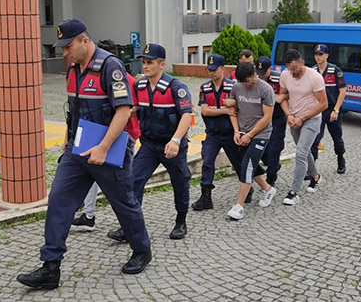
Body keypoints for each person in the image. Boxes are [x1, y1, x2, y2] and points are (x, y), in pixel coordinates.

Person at [17, 20, 151, 290]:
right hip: (77, 150)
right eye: (62, 47)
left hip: (109, 150)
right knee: (58, 200)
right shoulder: (73, 70)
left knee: (124, 203)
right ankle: (50, 267)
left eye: (68, 46)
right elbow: (73, 112)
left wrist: (102, 147)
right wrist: (67, 144)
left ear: (84, 41)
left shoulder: (110, 66)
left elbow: (124, 111)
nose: (64, 52)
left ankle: (141, 250)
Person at [107, 43, 193, 241]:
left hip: (172, 146)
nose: (145, 66)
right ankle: (130, 226)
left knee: (180, 183)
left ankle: (181, 222)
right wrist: (129, 111)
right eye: (143, 62)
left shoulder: (175, 87)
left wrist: (175, 141)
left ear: (161, 64)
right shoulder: (140, 85)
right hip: (149, 145)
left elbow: (186, 116)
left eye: (150, 62)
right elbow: (139, 106)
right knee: (133, 181)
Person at [71, 39, 142, 230]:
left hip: (124, 137)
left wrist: (117, 109)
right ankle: (88, 214)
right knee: (93, 174)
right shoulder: (86, 74)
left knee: (120, 186)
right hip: (98, 136)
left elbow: (132, 108)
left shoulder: (125, 79)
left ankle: (129, 227)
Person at [223, 62, 277, 220]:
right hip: (243, 131)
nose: (246, 85)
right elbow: (232, 111)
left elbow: (267, 117)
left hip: (261, 133)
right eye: (242, 82)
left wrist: (250, 135)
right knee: (249, 165)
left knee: (247, 166)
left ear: (254, 74)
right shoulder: (236, 87)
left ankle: (238, 206)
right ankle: (268, 189)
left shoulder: (266, 89)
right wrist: (237, 131)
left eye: (248, 81)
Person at [191, 54, 242, 211]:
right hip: (212, 133)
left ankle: (247, 188)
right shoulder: (205, 87)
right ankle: (206, 196)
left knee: (238, 163)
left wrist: (226, 112)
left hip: (228, 133)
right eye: (209, 70)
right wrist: (224, 110)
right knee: (207, 162)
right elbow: (205, 111)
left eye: (214, 70)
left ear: (222, 69)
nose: (211, 73)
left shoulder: (233, 86)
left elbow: (236, 109)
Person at [278, 49, 328, 206]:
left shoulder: (315, 77)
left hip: (311, 119)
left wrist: (302, 118)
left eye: (295, 69)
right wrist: (289, 115)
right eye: (290, 69)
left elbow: (323, 104)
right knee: (304, 151)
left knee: (300, 153)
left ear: (302, 63)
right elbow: (283, 96)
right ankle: (316, 177)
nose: (293, 73)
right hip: (294, 119)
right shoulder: (285, 75)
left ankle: (294, 192)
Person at [310, 44, 347, 174]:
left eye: (320, 54)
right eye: (316, 54)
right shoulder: (312, 71)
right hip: (318, 110)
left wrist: (336, 110)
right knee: (315, 139)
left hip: (332, 109)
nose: (317, 57)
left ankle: (340, 159)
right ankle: (312, 169)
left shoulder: (335, 70)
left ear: (327, 55)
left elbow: (342, 91)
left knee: (337, 137)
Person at [255, 56, 287, 186]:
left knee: (275, 147)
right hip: (261, 118)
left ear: (270, 69)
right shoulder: (255, 79)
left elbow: (288, 93)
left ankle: (271, 177)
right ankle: (273, 164)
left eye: (264, 73)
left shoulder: (279, 78)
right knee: (262, 148)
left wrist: (279, 97)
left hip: (277, 117)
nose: (261, 76)